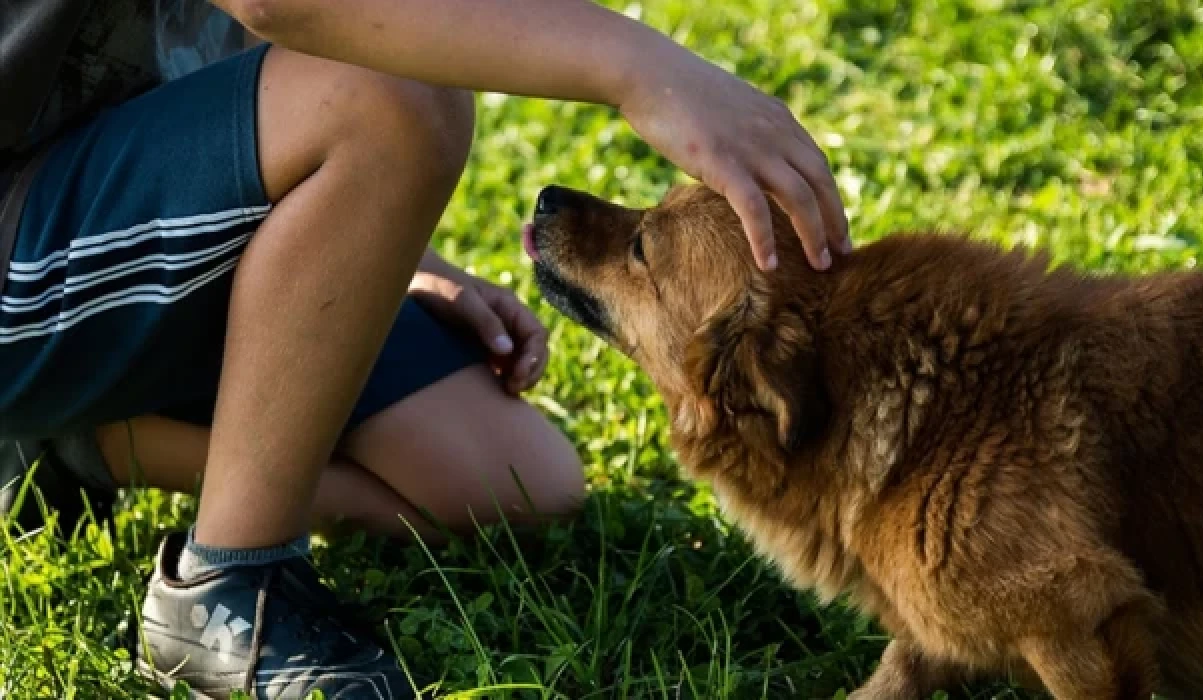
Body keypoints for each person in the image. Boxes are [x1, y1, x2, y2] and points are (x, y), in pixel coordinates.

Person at [0, 0, 850, 697]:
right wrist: (646, 72)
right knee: (401, 97)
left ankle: (77, 443)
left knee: (508, 480)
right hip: (18, 228)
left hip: (122, 204)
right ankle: (225, 587)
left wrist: (378, 244)